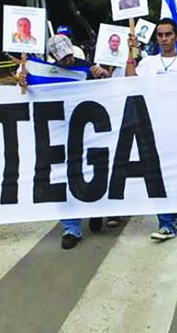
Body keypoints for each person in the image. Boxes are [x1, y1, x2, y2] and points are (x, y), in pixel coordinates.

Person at [18, 34, 111, 249]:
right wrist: (23, 82)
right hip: (58, 133)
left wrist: (104, 76)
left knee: (92, 173)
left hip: (87, 131)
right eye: (62, 57)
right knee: (62, 178)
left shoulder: (87, 67)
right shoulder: (41, 72)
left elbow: (109, 90)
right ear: (53, 56)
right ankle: (71, 228)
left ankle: (95, 210)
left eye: (69, 55)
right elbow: (26, 93)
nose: (67, 60)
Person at [126, 18, 177, 240]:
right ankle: (166, 224)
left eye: (168, 34)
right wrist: (130, 54)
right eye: (160, 35)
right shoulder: (148, 63)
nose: (164, 39)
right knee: (158, 176)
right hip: (155, 127)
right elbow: (129, 82)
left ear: (176, 36)